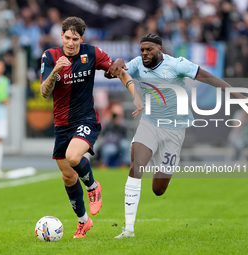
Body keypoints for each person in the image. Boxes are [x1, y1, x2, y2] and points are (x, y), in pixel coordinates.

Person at [107, 33, 248, 238]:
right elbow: (113, 73)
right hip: (150, 123)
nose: (145, 53)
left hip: (174, 129)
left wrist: (239, 97)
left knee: (158, 189)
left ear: (159, 50)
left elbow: (210, 78)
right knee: (136, 166)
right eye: (142, 50)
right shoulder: (138, 64)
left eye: (149, 50)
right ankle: (128, 229)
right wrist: (118, 63)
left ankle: (164, 169)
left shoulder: (177, 65)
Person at [40, 16, 143, 238]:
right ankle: (83, 222)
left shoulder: (92, 53)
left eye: (74, 39)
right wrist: (55, 71)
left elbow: (120, 72)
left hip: (86, 119)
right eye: (66, 37)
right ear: (61, 36)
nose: (70, 43)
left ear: (81, 38)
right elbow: (44, 91)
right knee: (68, 176)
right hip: (62, 125)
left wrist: (136, 95)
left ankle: (93, 186)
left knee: (74, 157)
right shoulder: (50, 56)